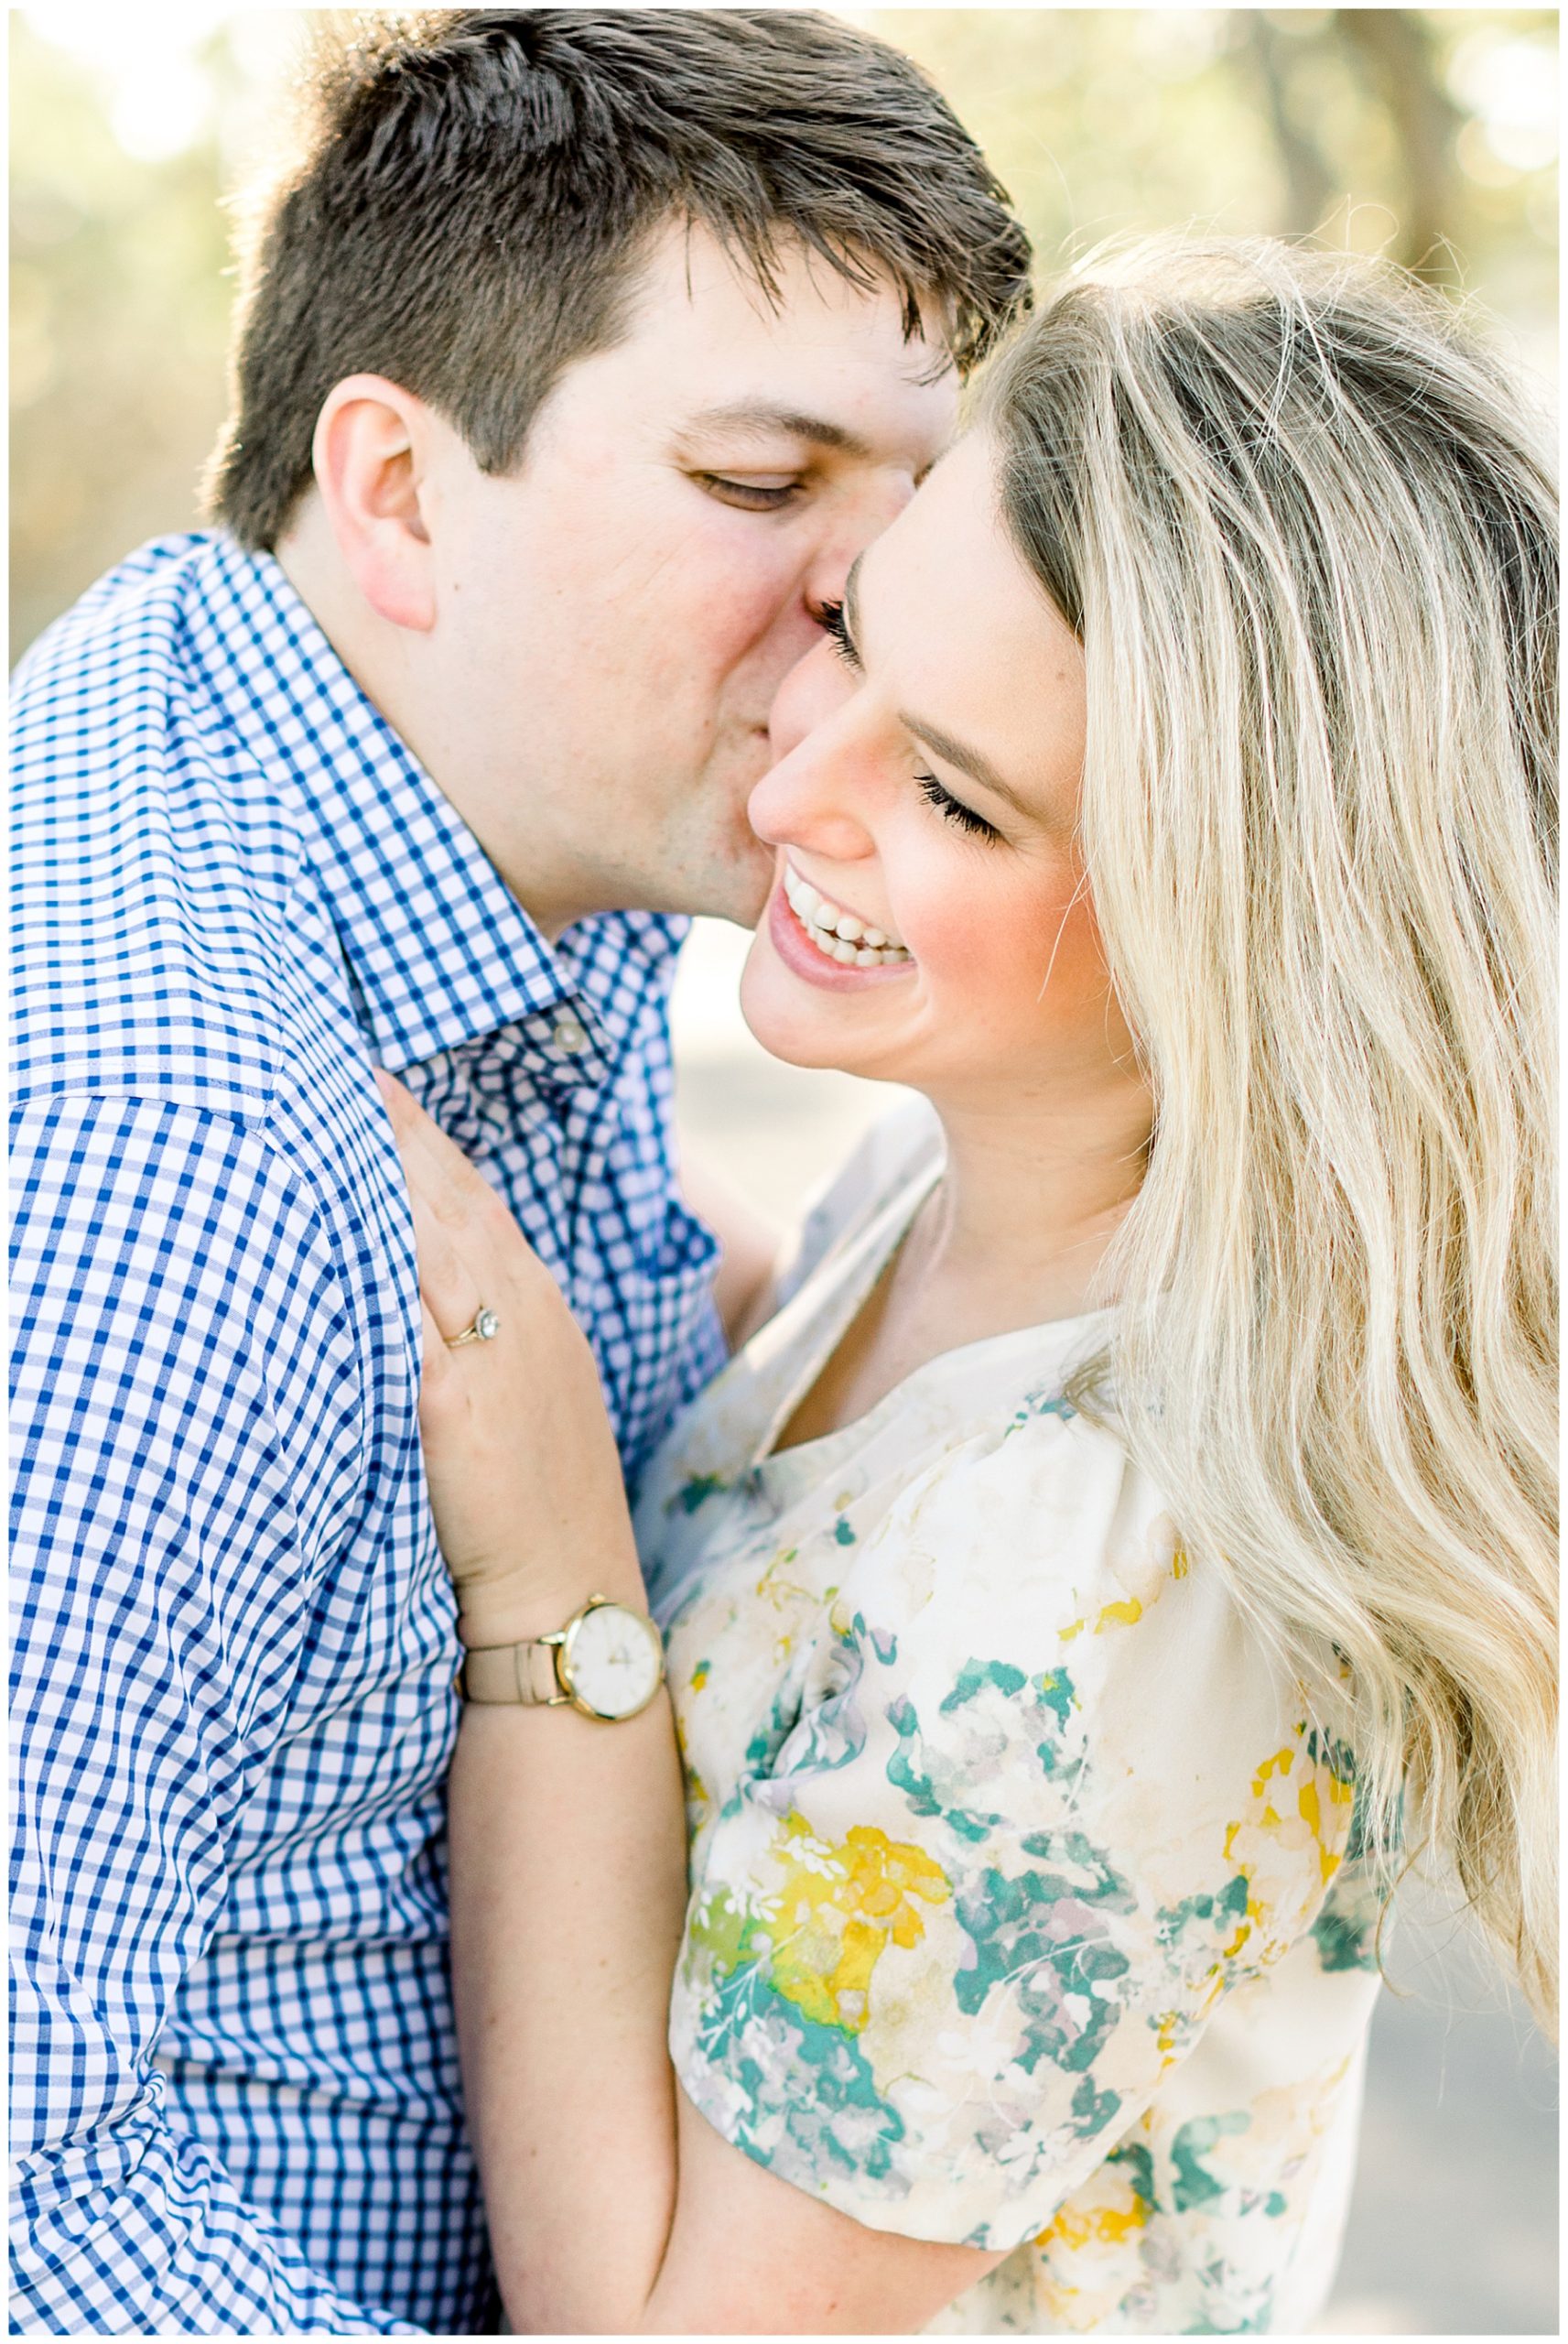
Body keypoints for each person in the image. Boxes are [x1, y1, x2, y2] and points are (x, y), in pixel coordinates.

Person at [379, 235, 1558, 2335]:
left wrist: (554, 1589)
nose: (789, 780)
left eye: (949, 793)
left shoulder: (1104, 1580)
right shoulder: (953, 1181)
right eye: (851, 632)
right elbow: (823, 1541)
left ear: (1229, 932)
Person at [8, 12, 1031, 2332]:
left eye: (910, 508)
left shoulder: (478, 811)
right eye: (764, 486)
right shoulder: (169, 1167)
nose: (869, 608)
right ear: (390, 492)